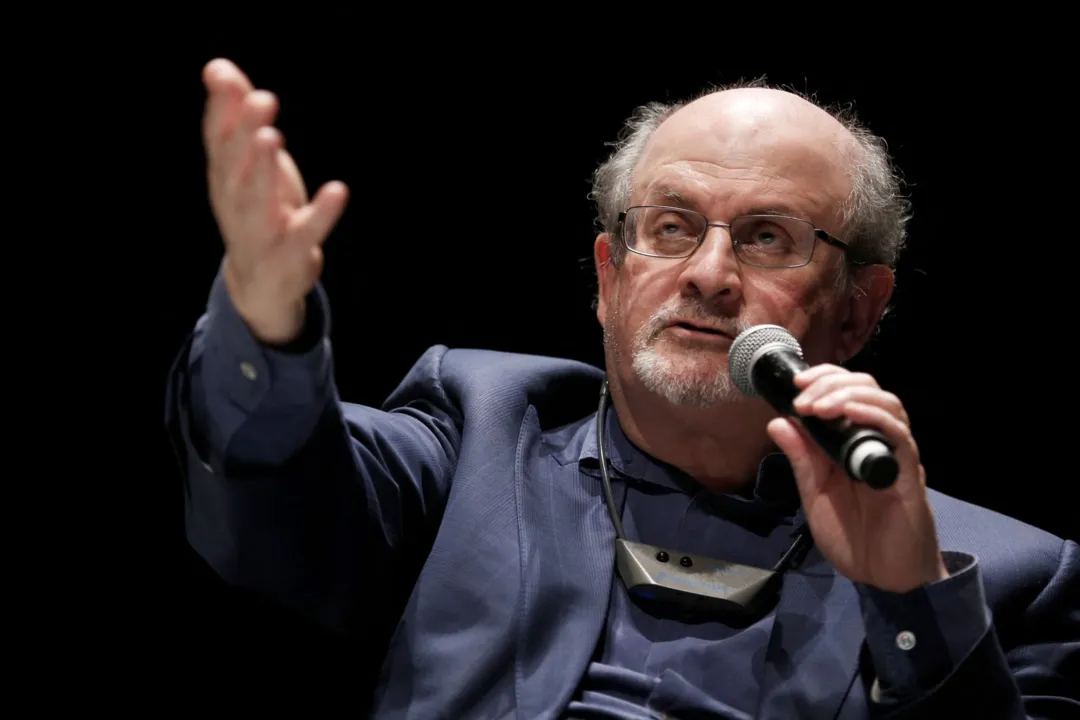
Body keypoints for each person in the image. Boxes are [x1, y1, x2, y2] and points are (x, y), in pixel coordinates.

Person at [166, 58, 1078, 718]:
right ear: (609, 277)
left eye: (767, 238)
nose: (710, 273)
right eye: (672, 226)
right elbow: (272, 514)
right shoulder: (478, 429)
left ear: (856, 311)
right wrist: (266, 323)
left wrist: (911, 600)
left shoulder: (1004, 581)